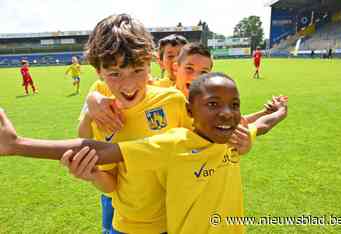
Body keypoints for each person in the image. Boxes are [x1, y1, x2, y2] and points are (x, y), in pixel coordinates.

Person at [0, 72, 288, 234]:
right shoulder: (173, 144)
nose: (227, 113)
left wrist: (278, 113)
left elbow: (260, 125)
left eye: (234, 105)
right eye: (213, 104)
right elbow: (104, 150)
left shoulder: (234, 137)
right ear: (189, 111)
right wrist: (18, 144)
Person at [65, 14, 253, 234]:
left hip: (176, 221)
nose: (129, 85)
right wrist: (92, 174)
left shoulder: (172, 102)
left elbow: (209, 144)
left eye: (137, 70)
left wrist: (243, 144)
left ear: (150, 62)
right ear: (99, 72)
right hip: (127, 227)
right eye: (115, 74)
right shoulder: (104, 116)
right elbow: (111, 184)